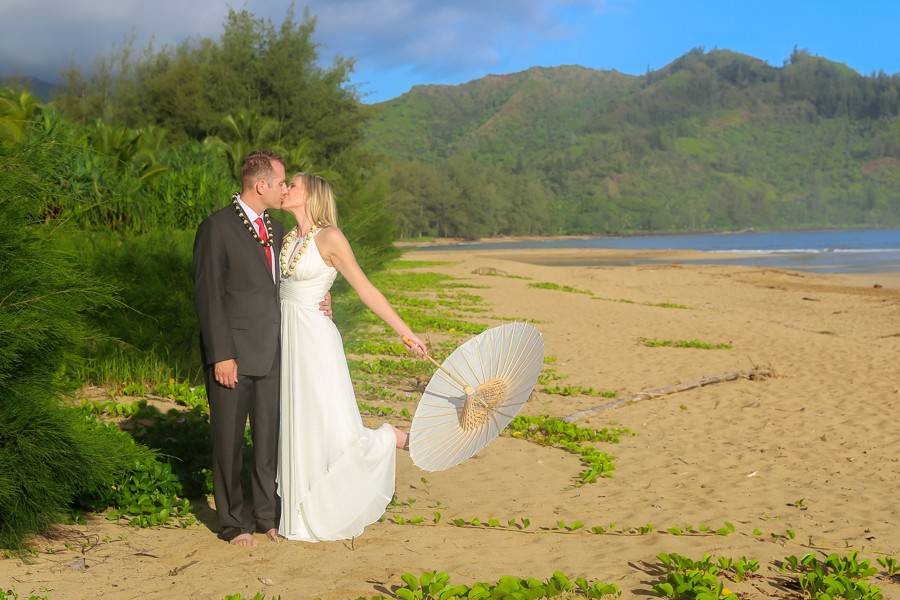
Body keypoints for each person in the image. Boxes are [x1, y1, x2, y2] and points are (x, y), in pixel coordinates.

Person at [276, 172, 428, 542]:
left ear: (310, 195)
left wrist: (405, 332)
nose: (285, 189)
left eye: (292, 185)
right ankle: (298, 513)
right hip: (287, 337)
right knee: (302, 421)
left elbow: (364, 287)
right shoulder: (287, 238)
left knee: (331, 423)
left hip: (315, 342)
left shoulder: (330, 237)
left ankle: (387, 437)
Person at [192, 151, 331, 547]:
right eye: (281, 183)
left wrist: (322, 297)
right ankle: (233, 522)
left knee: (268, 440)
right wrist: (221, 354)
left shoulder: (275, 225)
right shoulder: (216, 228)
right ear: (261, 185)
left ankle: (267, 515)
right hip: (232, 355)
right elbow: (209, 297)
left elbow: (290, 280)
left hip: (273, 352)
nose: (285, 189)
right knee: (229, 441)